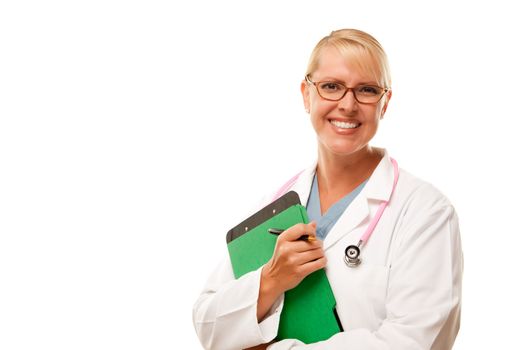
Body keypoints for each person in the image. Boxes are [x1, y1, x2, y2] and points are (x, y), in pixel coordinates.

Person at [192, 29, 463, 349]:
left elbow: (413, 341)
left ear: (385, 102)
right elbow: (207, 322)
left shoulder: (425, 212)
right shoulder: (276, 204)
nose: (348, 105)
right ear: (307, 95)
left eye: (367, 89)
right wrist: (270, 280)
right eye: (331, 86)